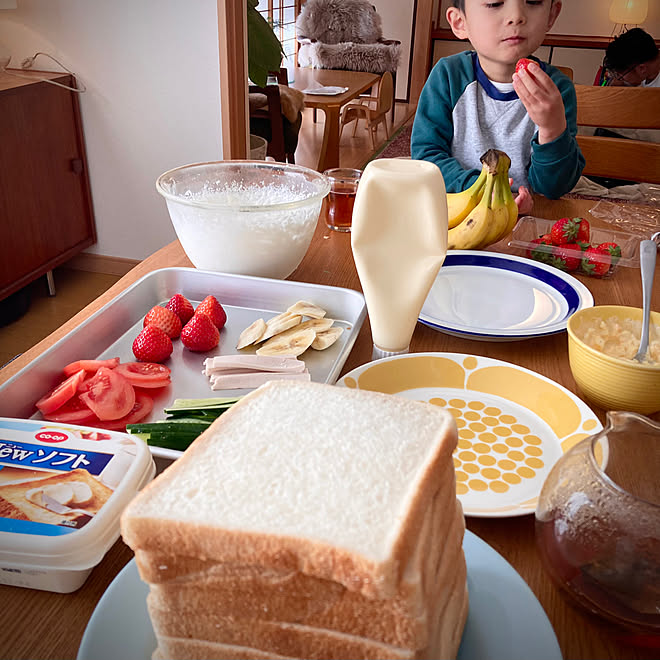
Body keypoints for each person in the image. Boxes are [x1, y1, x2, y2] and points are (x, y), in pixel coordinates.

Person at [411, 0, 584, 215]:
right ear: (460, 22)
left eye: (533, 1)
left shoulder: (556, 91)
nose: (516, 16)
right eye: (494, 3)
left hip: (528, 219)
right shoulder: (448, 76)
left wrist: (552, 129)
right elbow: (427, 155)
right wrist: (482, 189)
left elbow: (554, 188)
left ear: (551, 14)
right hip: (457, 211)